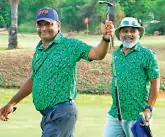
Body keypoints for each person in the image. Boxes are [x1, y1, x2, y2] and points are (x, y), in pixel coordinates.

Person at [0, 7, 114, 137]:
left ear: (58, 25)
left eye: (48, 24)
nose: (43, 28)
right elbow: (34, 80)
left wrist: (105, 39)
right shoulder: (39, 50)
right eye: (40, 25)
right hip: (48, 116)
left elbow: (97, 54)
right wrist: (12, 103)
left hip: (62, 112)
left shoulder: (70, 45)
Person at [103, 17, 160, 137]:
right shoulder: (116, 55)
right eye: (125, 31)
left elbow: (155, 84)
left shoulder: (147, 55)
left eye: (133, 31)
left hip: (138, 115)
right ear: (119, 34)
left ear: (138, 34)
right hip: (115, 114)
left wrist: (148, 109)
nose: (128, 34)